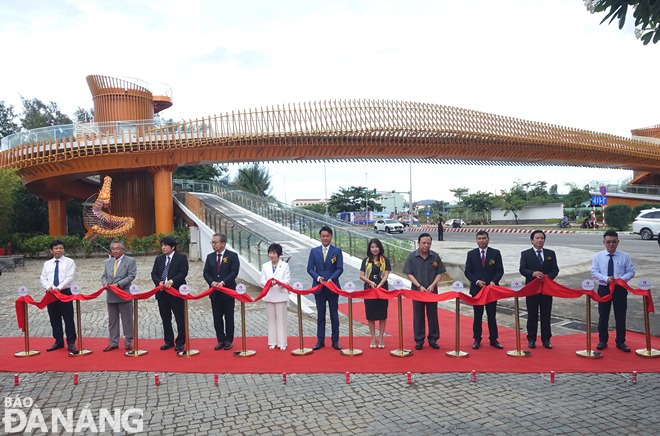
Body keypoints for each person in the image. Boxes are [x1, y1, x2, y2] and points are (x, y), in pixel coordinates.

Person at [591, 230, 635, 352]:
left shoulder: (624, 256)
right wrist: (606, 279)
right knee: (603, 315)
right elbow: (594, 272)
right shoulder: (598, 256)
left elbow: (631, 271)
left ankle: (621, 341)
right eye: (608, 242)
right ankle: (602, 340)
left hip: (620, 289)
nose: (611, 244)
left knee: (620, 316)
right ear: (604, 242)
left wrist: (621, 279)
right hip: (604, 288)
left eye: (614, 242)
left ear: (618, 242)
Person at [403, 233, 445, 350]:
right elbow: (409, 273)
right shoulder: (412, 257)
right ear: (418, 243)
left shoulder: (435, 257)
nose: (426, 245)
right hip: (417, 291)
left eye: (429, 243)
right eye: (424, 243)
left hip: (432, 291)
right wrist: (419, 286)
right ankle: (419, 340)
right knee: (418, 315)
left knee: (433, 315)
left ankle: (433, 339)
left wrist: (433, 285)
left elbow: (439, 273)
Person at [519, 230, 559, 349]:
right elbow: (522, 269)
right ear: (532, 240)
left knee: (546, 315)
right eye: (537, 238)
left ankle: (546, 339)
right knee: (532, 315)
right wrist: (533, 273)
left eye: (542, 238)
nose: (539, 240)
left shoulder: (550, 253)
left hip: (546, 289)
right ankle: (531, 339)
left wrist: (547, 277)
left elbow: (555, 270)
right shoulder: (525, 254)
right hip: (531, 289)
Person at [464, 231, 504, 349]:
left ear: (488, 239)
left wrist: (494, 281)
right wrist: (477, 281)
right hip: (477, 290)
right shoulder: (471, 254)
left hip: (491, 289)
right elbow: (468, 271)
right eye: (479, 238)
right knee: (477, 315)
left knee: (491, 315)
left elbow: (499, 270)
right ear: (476, 240)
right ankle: (477, 339)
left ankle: (494, 339)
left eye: (484, 238)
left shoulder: (495, 253)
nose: (481, 240)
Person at [307, 225, 344, 350]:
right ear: (320, 237)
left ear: (331, 236)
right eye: (323, 236)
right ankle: (320, 340)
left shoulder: (337, 251)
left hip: (332, 287)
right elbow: (310, 268)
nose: (325, 238)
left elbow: (339, 268)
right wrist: (318, 278)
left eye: (327, 236)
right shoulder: (314, 251)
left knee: (334, 314)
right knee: (320, 314)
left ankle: (335, 341)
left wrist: (331, 279)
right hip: (319, 288)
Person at [151, 236, 189, 352]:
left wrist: (171, 281)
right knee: (165, 318)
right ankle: (168, 341)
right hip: (162, 293)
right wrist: (159, 282)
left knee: (180, 317)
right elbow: (154, 273)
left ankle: (181, 341)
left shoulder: (181, 258)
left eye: (166, 245)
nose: (163, 248)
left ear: (173, 247)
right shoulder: (159, 259)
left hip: (176, 292)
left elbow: (183, 272)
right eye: (162, 245)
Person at [203, 233, 240, 351]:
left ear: (223, 243)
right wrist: (212, 282)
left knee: (229, 317)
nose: (213, 245)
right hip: (215, 292)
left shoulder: (232, 256)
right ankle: (220, 340)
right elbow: (206, 273)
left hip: (228, 291)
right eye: (212, 243)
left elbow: (234, 272)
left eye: (215, 242)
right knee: (217, 317)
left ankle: (229, 340)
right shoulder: (209, 257)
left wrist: (223, 282)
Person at [40, 239, 77, 352]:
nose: (58, 250)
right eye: (56, 248)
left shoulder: (69, 262)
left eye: (61, 248)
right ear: (51, 250)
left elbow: (69, 277)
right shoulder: (47, 264)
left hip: (64, 292)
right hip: (50, 293)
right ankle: (58, 341)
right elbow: (43, 278)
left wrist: (59, 288)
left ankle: (71, 342)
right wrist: (49, 287)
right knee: (54, 317)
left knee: (68, 317)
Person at [101, 240, 137, 352]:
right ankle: (113, 342)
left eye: (118, 248)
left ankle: (128, 341)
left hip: (124, 293)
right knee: (112, 320)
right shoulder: (108, 262)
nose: (115, 251)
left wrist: (119, 284)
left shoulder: (130, 261)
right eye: (113, 249)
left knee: (127, 319)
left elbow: (131, 276)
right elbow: (104, 276)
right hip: (111, 294)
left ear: (123, 250)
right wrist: (105, 283)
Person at [359, 238, 391, 349]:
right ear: (369, 248)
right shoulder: (366, 260)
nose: (374, 249)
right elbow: (361, 275)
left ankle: (381, 336)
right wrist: (371, 282)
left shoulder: (385, 260)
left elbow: (386, 274)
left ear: (380, 248)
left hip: (382, 288)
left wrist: (381, 283)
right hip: (369, 289)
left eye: (376, 247)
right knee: (370, 314)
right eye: (372, 247)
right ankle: (373, 337)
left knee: (382, 313)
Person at [259, 243, 290, 350]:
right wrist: (268, 283)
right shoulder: (265, 266)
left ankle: (282, 343)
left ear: (279, 254)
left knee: (281, 320)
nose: (272, 255)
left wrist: (278, 282)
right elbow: (262, 280)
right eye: (270, 253)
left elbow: (287, 280)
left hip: (280, 295)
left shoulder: (284, 265)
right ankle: (272, 342)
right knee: (271, 320)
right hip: (269, 295)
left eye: (274, 253)